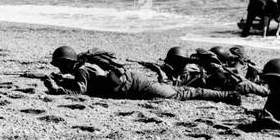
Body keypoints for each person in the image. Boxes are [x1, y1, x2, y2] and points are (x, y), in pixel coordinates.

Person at [46, 47, 241, 103]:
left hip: (137, 86)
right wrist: (63, 81)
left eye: (60, 65)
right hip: (134, 81)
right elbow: (89, 83)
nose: (58, 68)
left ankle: (227, 96)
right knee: (181, 90)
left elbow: (80, 91)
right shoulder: (85, 67)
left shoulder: (81, 70)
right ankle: (226, 96)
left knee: (182, 94)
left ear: (68, 63)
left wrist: (57, 89)